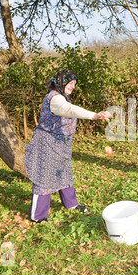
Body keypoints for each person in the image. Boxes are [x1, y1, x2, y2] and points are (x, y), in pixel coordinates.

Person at [24, 70, 110, 223]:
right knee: (44, 177)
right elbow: (68, 110)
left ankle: (71, 204)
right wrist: (93, 115)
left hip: (60, 143)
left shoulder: (61, 97)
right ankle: (38, 216)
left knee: (63, 172)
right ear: (62, 82)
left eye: (74, 84)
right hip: (46, 143)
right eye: (70, 84)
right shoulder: (55, 98)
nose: (72, 87)